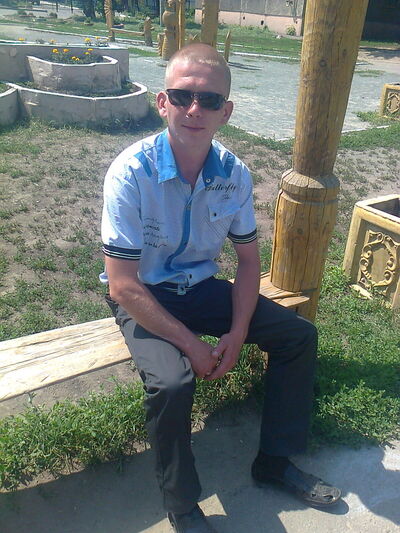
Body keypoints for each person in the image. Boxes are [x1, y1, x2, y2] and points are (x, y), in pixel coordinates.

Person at [100, 43, 341, 533]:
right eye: (181, 96)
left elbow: (249, 262)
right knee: (172, 382)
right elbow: (123, 285)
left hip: (200, 287)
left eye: (209, 100)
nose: (195, 109)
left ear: (225, 112)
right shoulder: (132, 171)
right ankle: (183, 505)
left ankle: (274, 460)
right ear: (163, 102)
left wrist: (238, 330)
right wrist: (192, 345)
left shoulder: (233, 174)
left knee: (297, 335)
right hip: (145, 296)